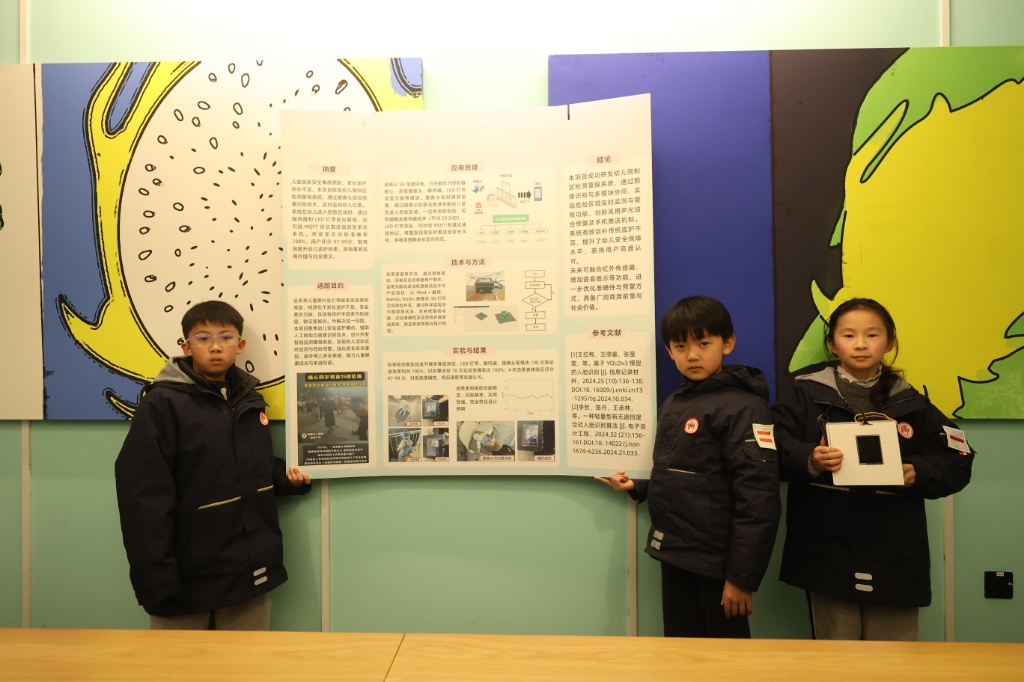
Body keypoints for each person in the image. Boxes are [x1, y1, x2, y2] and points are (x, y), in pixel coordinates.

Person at [771, 297, 974, 640]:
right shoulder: (805, 395)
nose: (861, 344)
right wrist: (810, 458)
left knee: (893, 659)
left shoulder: (912, 402)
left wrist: (918, 471)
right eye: (849, 335)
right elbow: (768, 446)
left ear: (889, 343)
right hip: (825, 551)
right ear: (832, 344)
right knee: (837, 656)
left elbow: (958, 455)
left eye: (872, 335)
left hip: (894, 552)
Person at [115, 300, 312, 630]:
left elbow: (251, 465)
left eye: (225, 337)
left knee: (247, 660)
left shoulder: (249, 398)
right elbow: (142, 496)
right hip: (186, 577)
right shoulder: (162, 404)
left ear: (240, 345)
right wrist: (157, 579)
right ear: (186, 347)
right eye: (203, 338)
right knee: (179, 661)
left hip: (249, 569)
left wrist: (286, 479)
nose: (216, 346)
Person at [597, 295, 781, 638]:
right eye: (681, 346)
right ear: (669, 351)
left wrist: (742, 578)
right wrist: (639, 487)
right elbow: (688, 475)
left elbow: (758, 498)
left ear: (728, 343)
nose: (692, 355)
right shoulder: (675, 402)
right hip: (675, 551)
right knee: (680, 651)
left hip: (718, 564)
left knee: (726, 656)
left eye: (704, 343)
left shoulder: (745, 407)